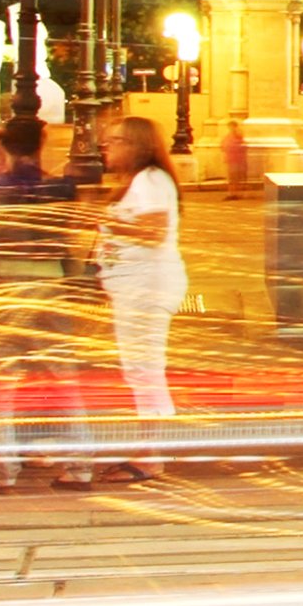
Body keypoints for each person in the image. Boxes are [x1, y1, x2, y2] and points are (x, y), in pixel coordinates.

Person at [0, 122, 84, 490]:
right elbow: (69, 237)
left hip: (5, 288)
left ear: (7, 148)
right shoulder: (62, 188)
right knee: (64, 379)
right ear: (42, 145)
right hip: (52, 286)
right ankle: (79, 467)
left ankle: (2, 471)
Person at [93, 113, 185, 458]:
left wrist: (104, 220)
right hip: (137, 286)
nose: (106, 147)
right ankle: (149, 450)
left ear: (136, 145)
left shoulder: (149, 179)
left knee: (144, 369)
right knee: (140, 369)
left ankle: (151, 455)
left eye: (115, 140)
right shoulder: (142, 181)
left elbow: (153, 232)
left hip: (147, 286)